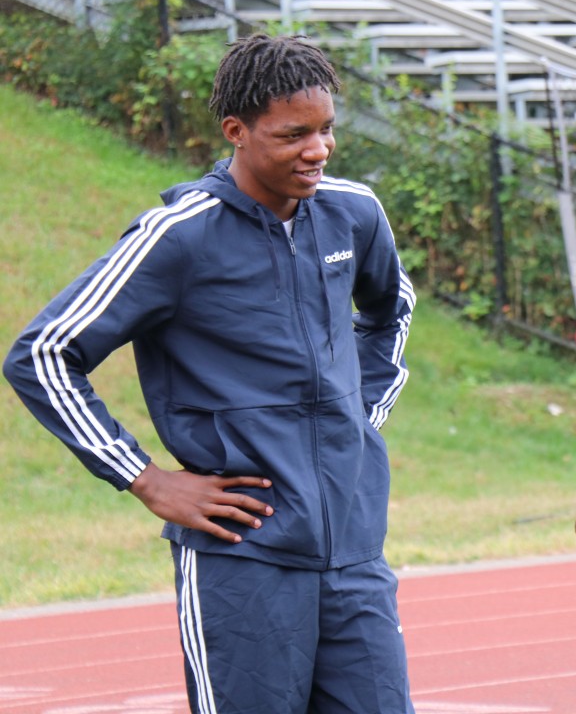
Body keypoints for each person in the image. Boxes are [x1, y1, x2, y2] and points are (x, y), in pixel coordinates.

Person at [4, 34, 417, 713]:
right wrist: (146, 479)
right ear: (237, 131)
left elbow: (390, 309)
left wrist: (360, 416)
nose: (318, 150)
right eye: (294, 135)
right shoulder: (180, 235)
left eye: (326, 130)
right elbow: (44, 354)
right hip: (242, 559)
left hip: (354, 555)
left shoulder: (354, 212)